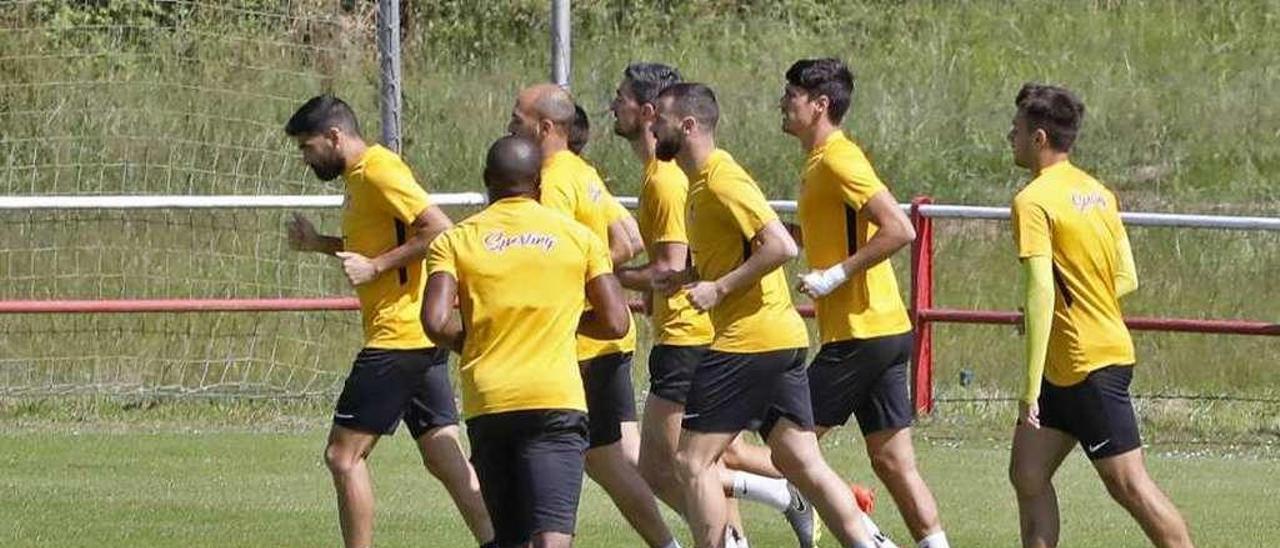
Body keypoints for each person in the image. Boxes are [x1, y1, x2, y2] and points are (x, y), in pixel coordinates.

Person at [610, 61, 833, 548]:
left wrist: (603, 277)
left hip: (695, 336)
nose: (614, 106)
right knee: (693, 462)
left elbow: (676, 262)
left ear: (653, 112)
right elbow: (686, 266)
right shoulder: (675, 177)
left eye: (622, 98)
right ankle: (779, 502)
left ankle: (770, 507)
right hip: (694, 333)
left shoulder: (672, 180)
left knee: (685, 464)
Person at [650, 82, 878, 548]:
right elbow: (734, 250)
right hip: (776, 340)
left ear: (688, 126)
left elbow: (781, 245)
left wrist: (719, 288)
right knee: (801, 463)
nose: (654, 126)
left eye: (662, 120)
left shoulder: (720, 177)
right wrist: (689, 274)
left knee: (692, 462)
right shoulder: (697, 184)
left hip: (748, 342)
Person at [281, 95, 494, 548]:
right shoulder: (358, 177)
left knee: (343, 456)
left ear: (335, 136)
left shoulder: (379, 170)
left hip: (398, 339)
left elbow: (439, 228)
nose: (305, 158)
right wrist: (319, 244)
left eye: (307, 146)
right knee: (444, 457)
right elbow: (378, 241)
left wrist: (377, 268)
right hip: (417, 337)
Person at [1006, 83, 1193, 548]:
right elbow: (1125, 276)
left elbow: (1041, 289)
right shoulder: (1098, 193)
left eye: (1017, 128)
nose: (1009, 134)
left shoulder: (1033, 200)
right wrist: (1071, 308)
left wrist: (1028, 390)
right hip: (1070, 363)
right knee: (1027, 474)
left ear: (1039, 138)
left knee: (1129, 484)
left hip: (1087, 366)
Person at [422, 134, 631, 548]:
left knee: (511, 536)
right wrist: (560, 324)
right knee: (553, 536)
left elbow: (434, 320)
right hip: (555, 399)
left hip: (491, 400)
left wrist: (482, 340)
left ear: (487, 180)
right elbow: (615, 322)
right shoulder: (580, 239)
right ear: (538, 184)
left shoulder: (454, 240)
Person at [781, 58, 948, 548]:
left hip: (861, 332)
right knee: (893, 463)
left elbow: (899, 228)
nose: (783, 102)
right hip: (882, 331)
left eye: (792, 94)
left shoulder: (838, 157)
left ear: (820, 105)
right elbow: (823, 230)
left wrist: (836, 275)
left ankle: (868, 540)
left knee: (788, 444)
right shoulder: (818, 162)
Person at [508, 83, 676, 548]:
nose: (508, 125)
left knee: (558, 451)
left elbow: (547, 251)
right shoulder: (581, 171)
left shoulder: (554, 179)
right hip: (606, 338)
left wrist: (571, 289)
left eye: (516, 117)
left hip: (583, 340)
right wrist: (596, 275)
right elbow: (629, 240)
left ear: (544, 127)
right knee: (617, 458)